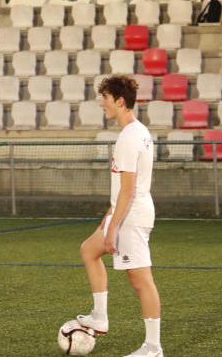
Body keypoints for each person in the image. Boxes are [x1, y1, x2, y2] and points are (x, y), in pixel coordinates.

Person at [76, 76, 163, 357]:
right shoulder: (138, 131)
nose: (101, 103)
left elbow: (128, 189)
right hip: (125, 213)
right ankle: (99, 317)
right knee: (89, 250)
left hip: (132, 218)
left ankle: (153, 348)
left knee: (141, 282)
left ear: (120, 101)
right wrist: (109, 217)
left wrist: (114, 227)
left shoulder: (129, 138)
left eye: (105, 98)